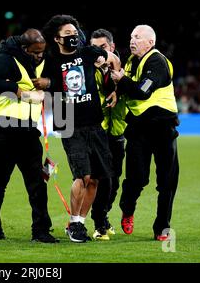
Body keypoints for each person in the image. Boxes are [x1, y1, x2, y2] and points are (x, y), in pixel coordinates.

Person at [40, 15, 120, 243]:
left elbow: (113, 58)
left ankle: (79, 223)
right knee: (82, 176)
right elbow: (42, 84)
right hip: (70, 125)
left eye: (75, 33)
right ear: (56, 38)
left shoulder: (88, 53)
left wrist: (115, 87)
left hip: (95, 124)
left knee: (96, 179)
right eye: (68, 35)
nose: (73, 38)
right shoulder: (49, 61)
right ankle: (74, 223)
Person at [0, 28, 59, 243]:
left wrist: (48, 83)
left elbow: (59, 80)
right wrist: (17, 90)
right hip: (1, 128)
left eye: (42, 52)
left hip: (28, 130)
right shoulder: (7, 59)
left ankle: (40, 231)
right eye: (35, 52)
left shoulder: (40, 61)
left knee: (37, 182)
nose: (40, 56)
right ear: (24, 48)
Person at [111, 25, 179, 241]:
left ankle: (162, 228)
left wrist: (121, 80)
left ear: (150, 43)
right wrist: (117, 90)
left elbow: (141, 91)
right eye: (131, 36)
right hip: (139, 129)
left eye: (137, 37)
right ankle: (127, 208)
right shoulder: (131, 62)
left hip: (163, 128)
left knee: (167, 182)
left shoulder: (157, 62)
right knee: (136, 178)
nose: (132, 40)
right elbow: (127, 87)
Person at [90, 29, 127, 241]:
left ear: (111, 48)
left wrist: (119, 88)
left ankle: (103, 217)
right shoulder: (90, 69)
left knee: (114, 180)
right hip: (98, 131)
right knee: (103, 180)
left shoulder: (124, 68)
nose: (98, 52)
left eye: (102, 48)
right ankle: (98, 223)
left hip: (118, 132)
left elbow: (132, 87)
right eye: (94, 48)